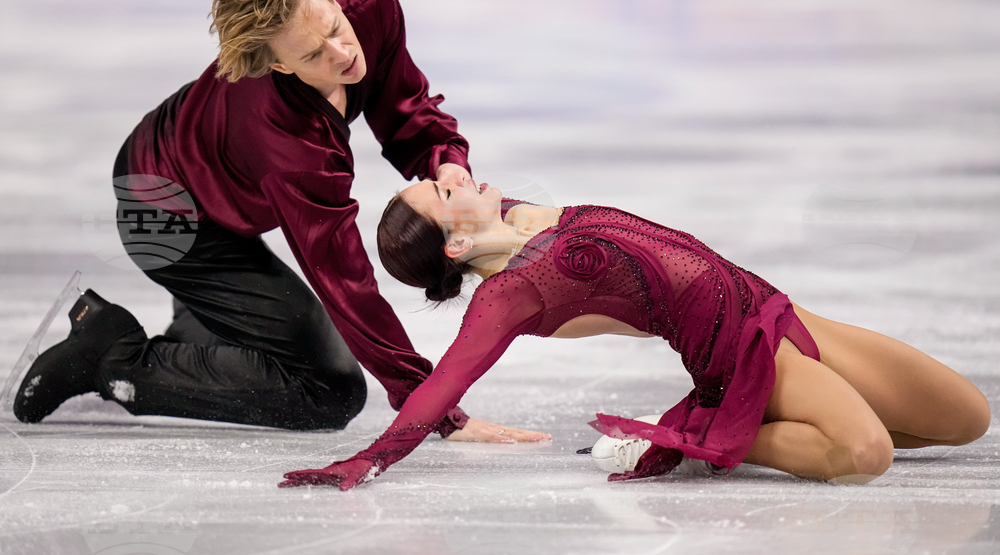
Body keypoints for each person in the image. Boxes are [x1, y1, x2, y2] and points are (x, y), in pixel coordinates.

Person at [12, 0, 547, 444]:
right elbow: (343, 278)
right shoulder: (287, 139)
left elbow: (405, 111)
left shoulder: (372, 7)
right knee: (329, 390)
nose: (342, 53)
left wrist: (445, 162)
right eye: (314, 56)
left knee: (273, 345)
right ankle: (109, 355)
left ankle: (199, 332)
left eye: (337, 26)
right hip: (166, 218)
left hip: (207, 176)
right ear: (277, 64)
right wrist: (434, 408)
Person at [279, 176, 990, 489]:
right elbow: (443, 383)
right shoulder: (511, 295)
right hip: (743, 355)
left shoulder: (518, 214)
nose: (449, 175)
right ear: (456, 246)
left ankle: (719, 430)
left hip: (784, 313)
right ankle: (685, 438)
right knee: (865, 453)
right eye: (439, 192)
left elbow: (442, 145)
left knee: (967, 419)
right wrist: (365, 460)